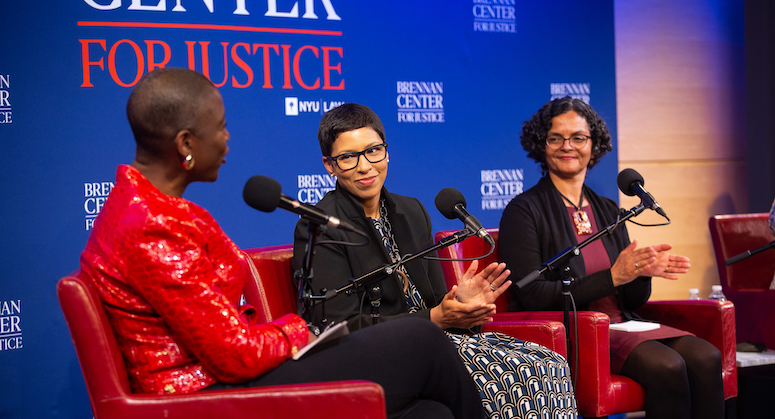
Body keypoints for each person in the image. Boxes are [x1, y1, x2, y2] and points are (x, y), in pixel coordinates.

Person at [79, 68, 485, 419]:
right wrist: (299, 331)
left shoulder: (145, 207)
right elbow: (234, 355)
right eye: (219, 127)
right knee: (422, 339)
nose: (227, 139)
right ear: (186, 144)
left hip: (226, 375)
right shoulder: (151, 224)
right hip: (202, 396)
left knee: (431, 413)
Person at [292, 103, 578, 419]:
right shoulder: (319, 226)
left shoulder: (412, 211)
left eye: (373, 150)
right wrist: (434, 319)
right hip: (380, 354)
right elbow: (335, 326)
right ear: (329, 165)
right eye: (348, 157)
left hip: (438, 340)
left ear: (386, 152)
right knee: (509, 376)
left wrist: (461, 304)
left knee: (549, 363)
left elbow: (434, 303)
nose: (365, 166)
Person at [499, 97, 724, 418]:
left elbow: (630, 298)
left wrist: (641, 272)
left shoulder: (607, 209)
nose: (567, 146)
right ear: (541, 145)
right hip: (575, 332)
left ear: (594, 145)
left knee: (707, 357)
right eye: (555, 138)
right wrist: (613, 277)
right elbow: (530, 293)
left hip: (624, 324)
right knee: (669, 366)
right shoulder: (524, 211)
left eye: (578, 137)